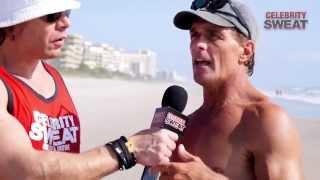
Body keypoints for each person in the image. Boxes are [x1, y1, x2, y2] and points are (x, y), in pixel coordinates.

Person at [0, 0, 178, 179]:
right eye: (52, 16)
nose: (65, 23)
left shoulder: (53, 76)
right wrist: (128, 149)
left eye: (66, 13)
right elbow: (24, 170)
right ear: (12, 25)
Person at [154, 0, 304, 179]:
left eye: (213, 35)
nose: (198, 45)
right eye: (194, 35)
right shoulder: (185, 123)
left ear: (246, 52)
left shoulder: (266, 121)